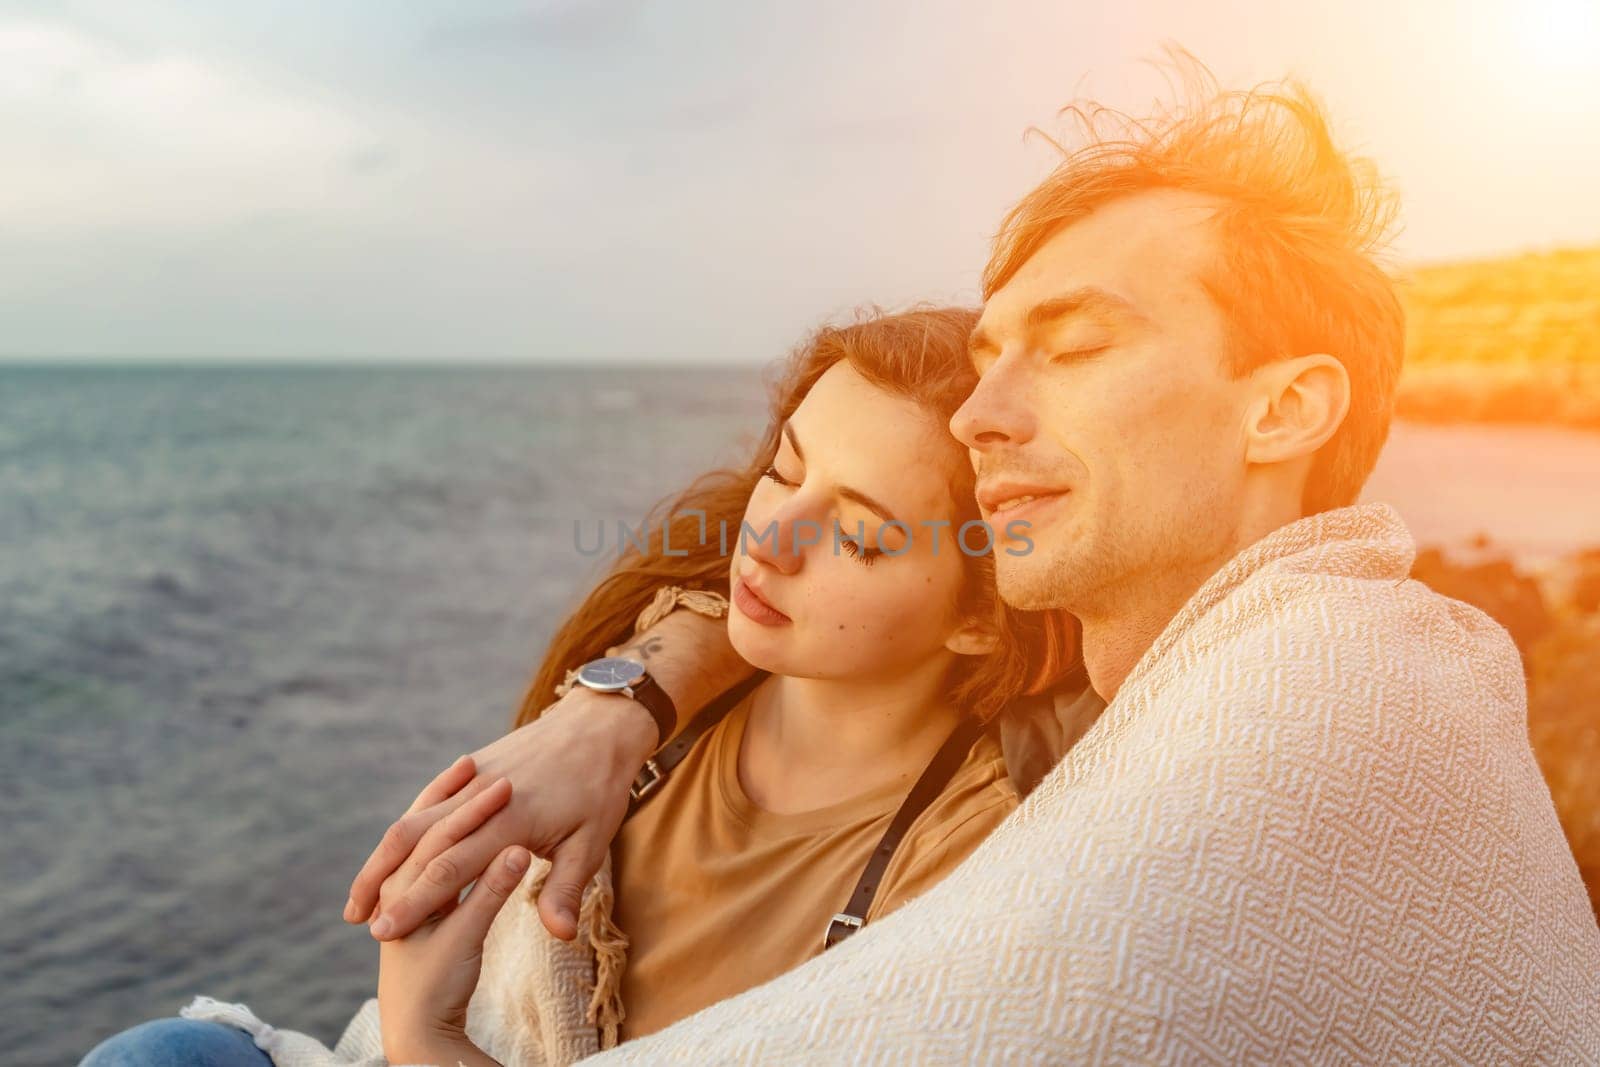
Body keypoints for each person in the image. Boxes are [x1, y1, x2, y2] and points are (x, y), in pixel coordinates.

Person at [341, 64, 1600, 1062]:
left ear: (1281, 411)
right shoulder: (1193, 701)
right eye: (993, 352)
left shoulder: (1336, 696)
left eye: (1073, 343)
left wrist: (422, 1040)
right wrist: (626, 692)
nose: (987, 410)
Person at [80, 308, 1082, 1066]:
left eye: (858, 532)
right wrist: (617, 703)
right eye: (783, 470)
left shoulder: (967, 872)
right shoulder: (663, 678)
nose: (767, 539)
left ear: (981, 611)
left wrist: (429, 1036)